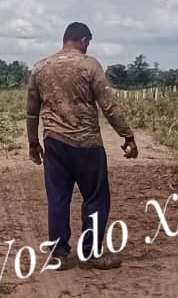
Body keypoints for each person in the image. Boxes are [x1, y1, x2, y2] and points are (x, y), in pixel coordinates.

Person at [26, 23, 138, 269]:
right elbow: (108, 106)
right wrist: (127, 136)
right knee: (96, 199)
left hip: (54, 142)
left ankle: (59, 254)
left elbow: (32, 111)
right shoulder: (90, 65)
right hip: (87, 144)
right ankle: (92, 253)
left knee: (58, 199)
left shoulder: (41, 67)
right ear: (84, 40)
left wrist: (33, 142)